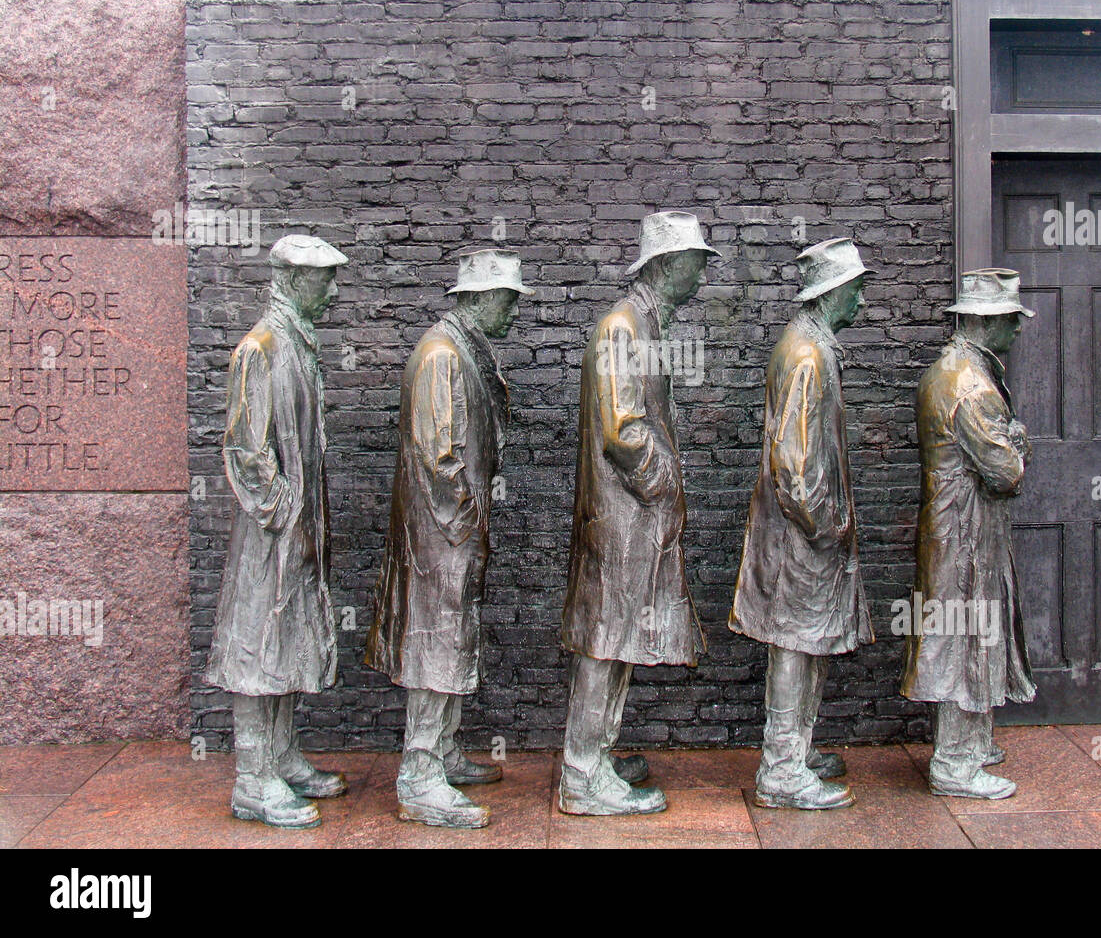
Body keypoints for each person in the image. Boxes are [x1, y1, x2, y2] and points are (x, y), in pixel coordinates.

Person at [366, 249, 532, 828]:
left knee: (451, 638)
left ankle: (442, 749)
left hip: (452, 531)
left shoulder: (462, 348)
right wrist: (466, 523)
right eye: (508, 299)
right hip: (443, 533)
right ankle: (419, 775)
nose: (513, 311)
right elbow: (440, 458)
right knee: (436, 643)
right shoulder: (442, 354)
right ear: (481, 297)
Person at [559, 210, 719, 815]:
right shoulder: (622, 329)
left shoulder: (646, 326)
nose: (701, 275)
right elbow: (624, 432)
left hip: (636, 517)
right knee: (605, 639)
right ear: (663, 265)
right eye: (694, 262)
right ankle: (581, 772)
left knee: (620, 637)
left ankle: (598, 751)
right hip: (624, 518)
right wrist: (667, 490)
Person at [207, 233, 349, 829]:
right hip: (271, 534)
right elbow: (245, 447)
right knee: (256, 642)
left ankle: (283, 757)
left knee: (286, 635)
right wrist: (283, 511)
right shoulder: (261, 347)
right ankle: (252, 777)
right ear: (292, 280)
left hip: (295, 529)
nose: (335, 292)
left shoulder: (297, 343)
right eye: (325, 280)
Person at [731, 237, 875, 809]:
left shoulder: (811, 345)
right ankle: (782, 768)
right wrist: (825, 525)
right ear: (834, 291)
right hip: (801, 532)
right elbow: (792, 462)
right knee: (793, 642)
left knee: (806, 639)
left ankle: (796, 747)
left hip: (804, 528)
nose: (861, 303)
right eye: (857, 290)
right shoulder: (808, 355)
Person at [901, 267, 1038, 799]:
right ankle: (956, 764)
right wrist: (1019, 444)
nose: (1017, 330)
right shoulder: (970, 384)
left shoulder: (949, 370)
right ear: (985, 322)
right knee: (962, 637)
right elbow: (1006, 472)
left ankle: (972, 744)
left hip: (956, 527)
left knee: (966, 633)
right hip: (966, 533)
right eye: (1010, 319)